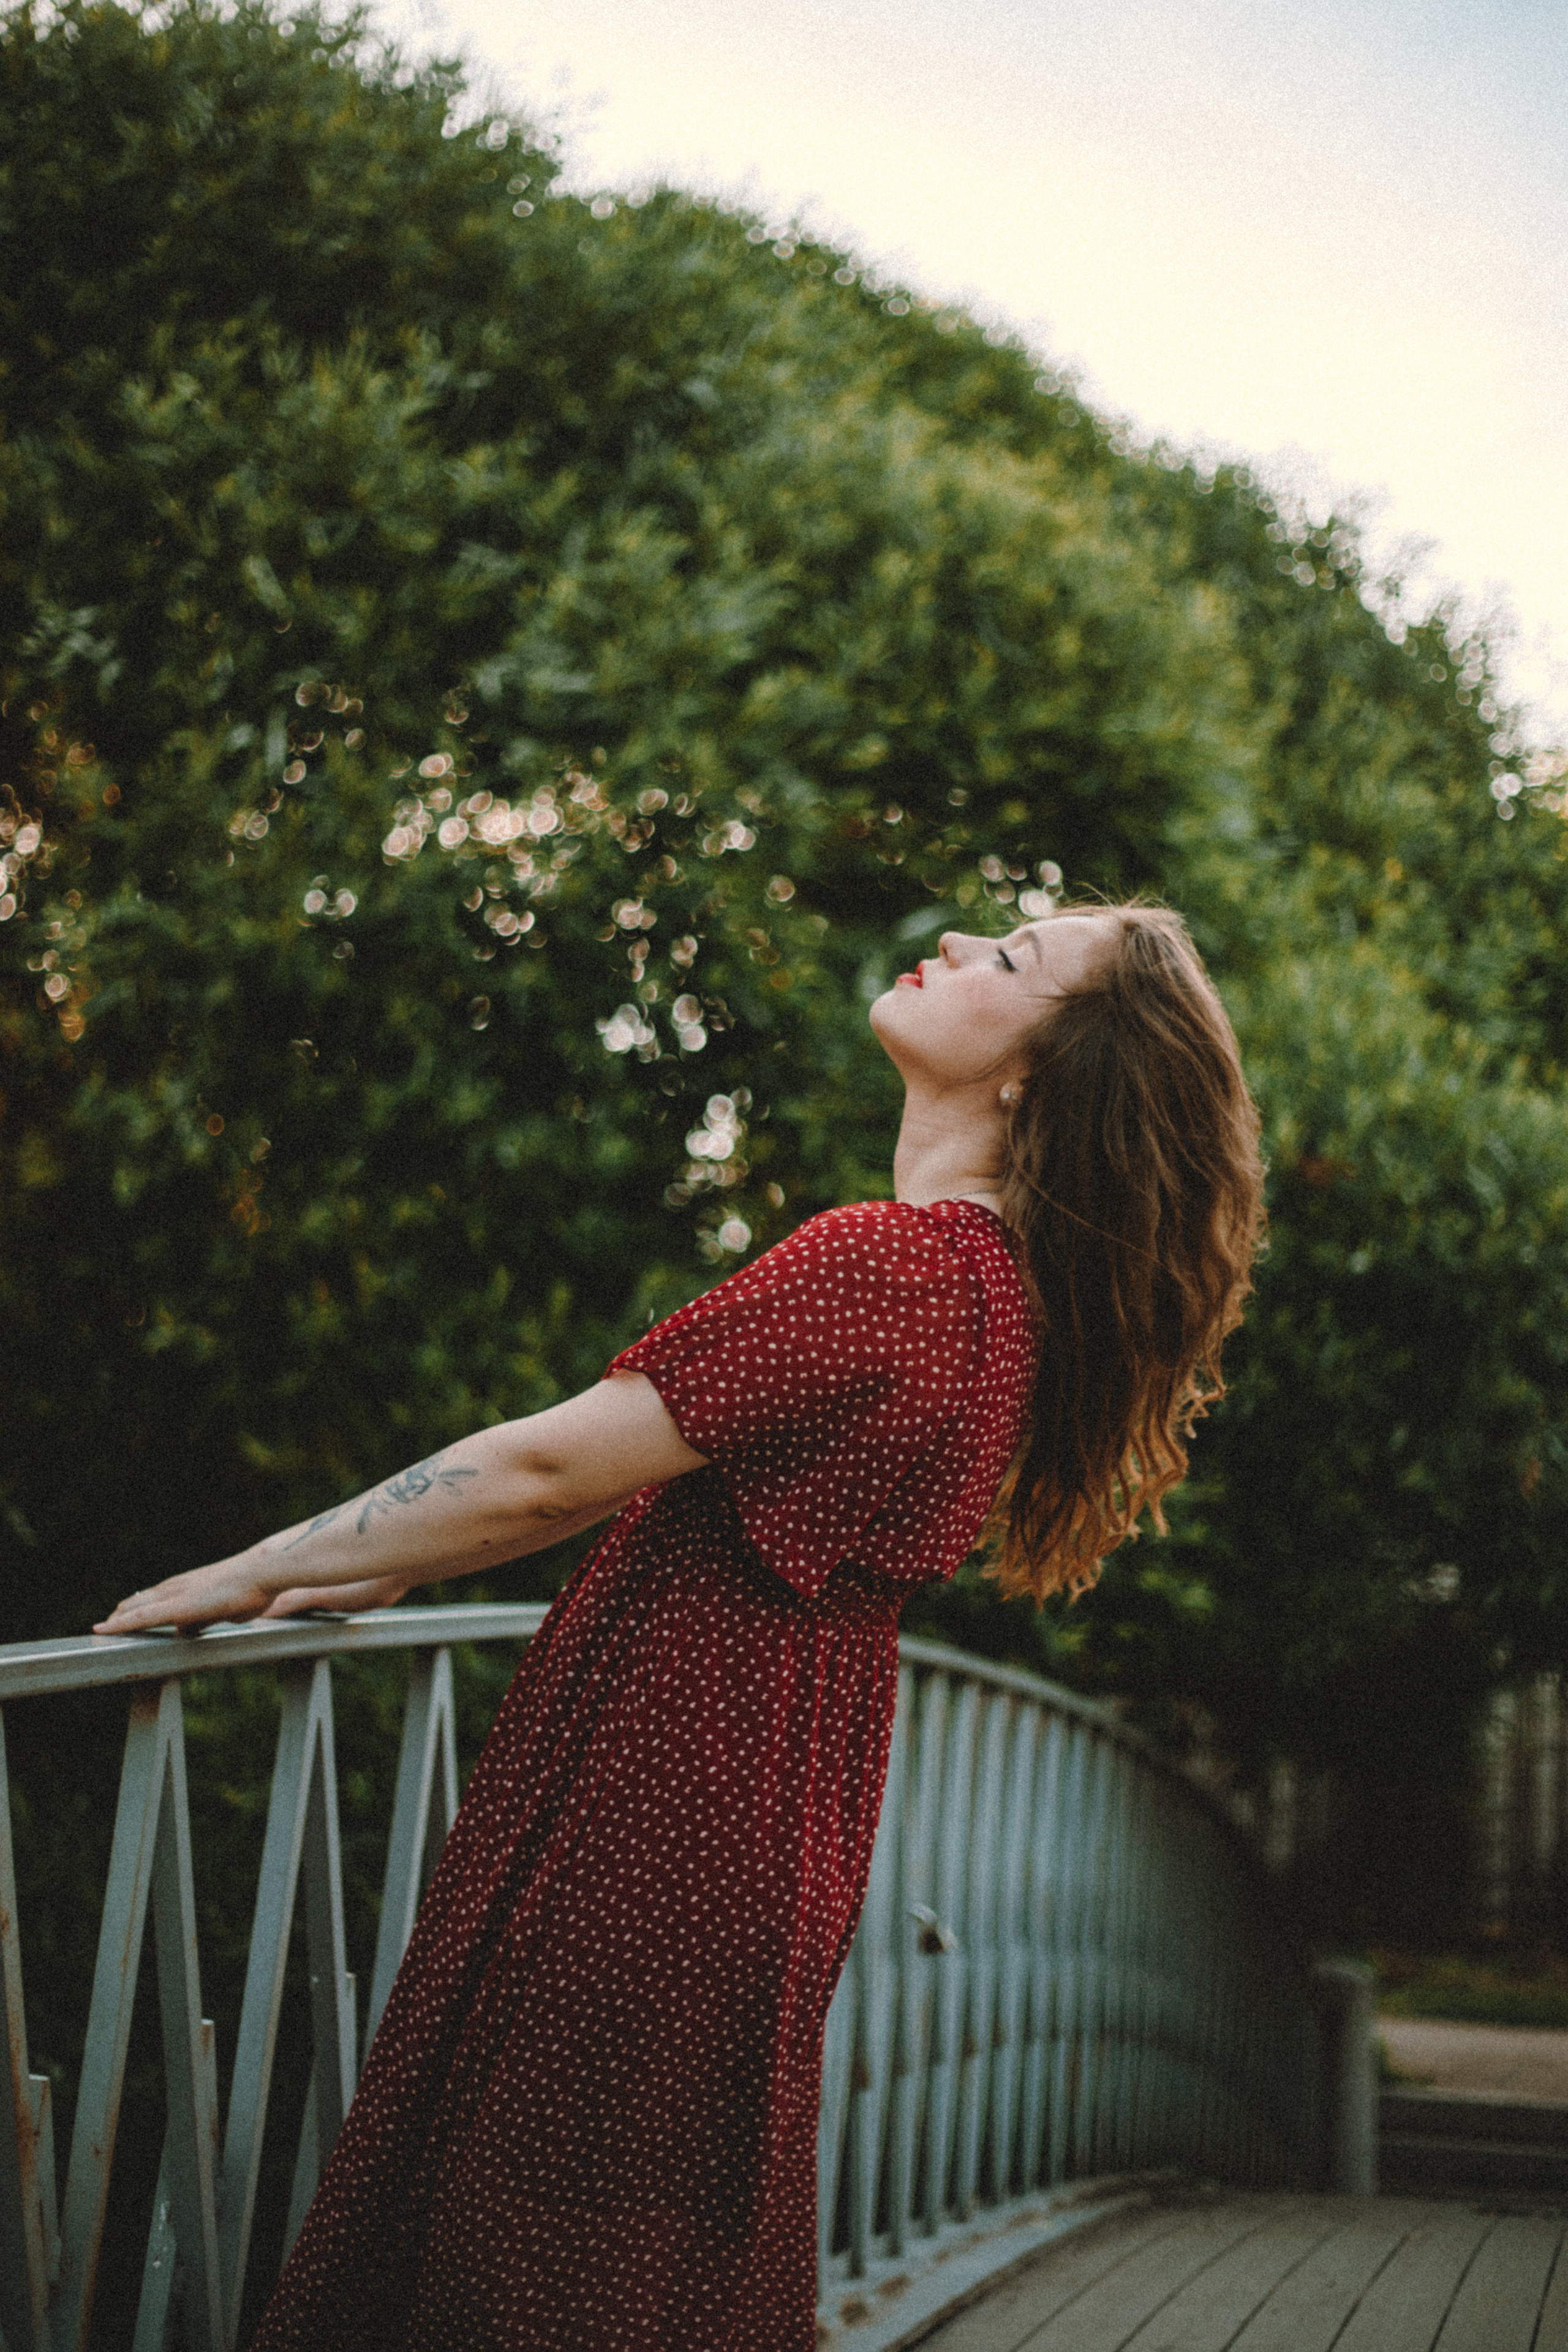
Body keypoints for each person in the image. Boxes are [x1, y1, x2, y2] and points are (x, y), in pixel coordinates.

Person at [96, 903, 1264, 2351]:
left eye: (1008, 961)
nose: (958, 940)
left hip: (666, 1807)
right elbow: (584, 1484)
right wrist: (383, 1562)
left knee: (534, 2258)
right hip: (759, 1815)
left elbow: (550, 1465)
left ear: (1039, 1075)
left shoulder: (891, 1268)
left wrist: (258, 1563)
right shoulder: (988, 1303)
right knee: (626, 2251)